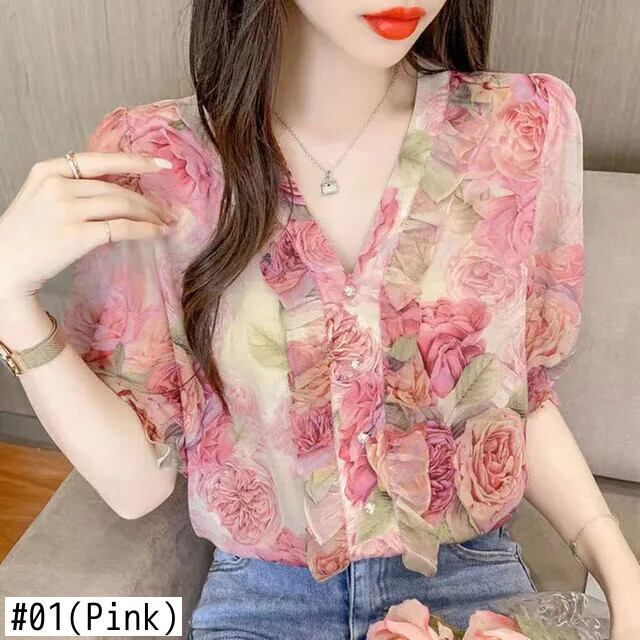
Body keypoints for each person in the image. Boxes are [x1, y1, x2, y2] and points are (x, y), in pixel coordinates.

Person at [0, 0, 638, 638]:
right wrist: (8, 300)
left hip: (468, 588)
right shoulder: (159, 161)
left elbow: (523, 394)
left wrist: (619, 569)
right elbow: (136, 486)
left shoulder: (520, 127)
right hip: (264, 604)